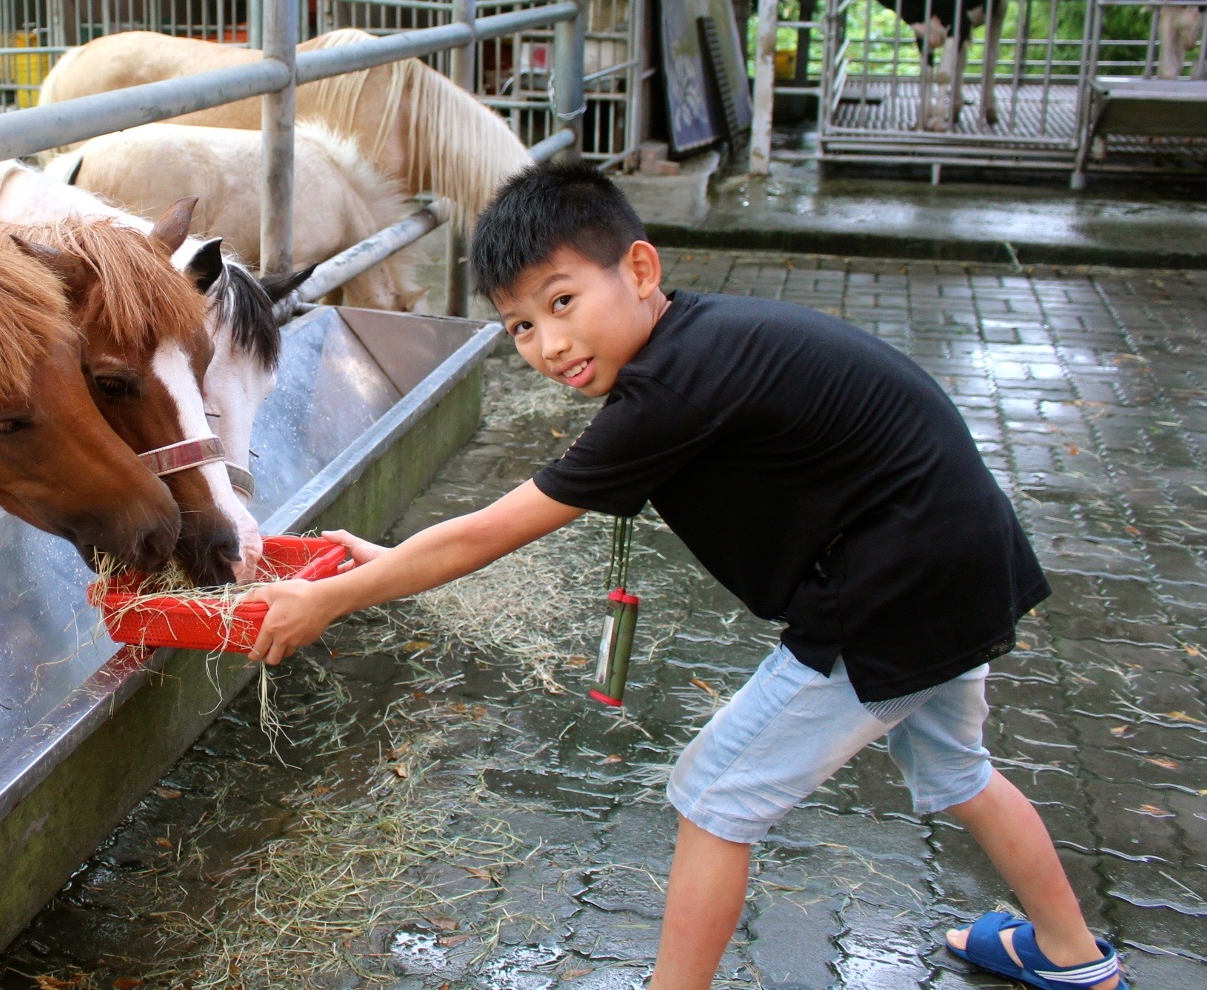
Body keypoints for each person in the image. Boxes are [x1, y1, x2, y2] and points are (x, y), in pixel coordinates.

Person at [248, 163, 1120, 990]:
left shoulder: (672, 388)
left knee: (713, 794)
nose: (548, 345)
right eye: (520, 326)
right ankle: (1072, 955)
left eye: (561, 302)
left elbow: (491, 531)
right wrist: (384, 565)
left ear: (638, 267)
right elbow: (494, 522)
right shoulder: (697, 342)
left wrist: (333, 595)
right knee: (958, 770)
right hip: (961, 558)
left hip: (897, 591)